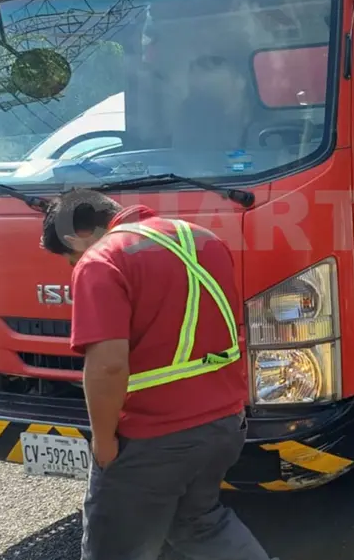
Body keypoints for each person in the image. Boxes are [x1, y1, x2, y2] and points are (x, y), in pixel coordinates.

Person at [40, 189, 272, 560]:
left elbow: (109, 366)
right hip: (224, 424)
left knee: (114, 548)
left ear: (74, 238)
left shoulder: (101, 260)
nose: (73, 267)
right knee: (199, 523)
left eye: (70, 259)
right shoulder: (204, 240)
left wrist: (102, 442)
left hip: (154, 438)